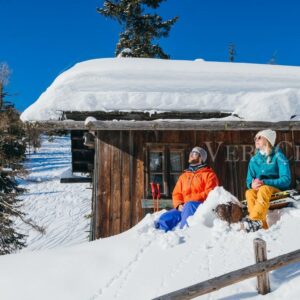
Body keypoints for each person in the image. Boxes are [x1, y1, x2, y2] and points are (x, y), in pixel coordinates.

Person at [155, 146, 219, 232]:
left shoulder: (209, 175)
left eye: (195, 153)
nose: (191, 155)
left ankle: (184, 234)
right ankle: (159, 237)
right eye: (191, 153)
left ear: (201, 158)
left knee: (189, 205)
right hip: (184, 206)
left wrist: (189, 200)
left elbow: (210, 193)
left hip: (200, 206)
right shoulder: (184, 176)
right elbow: (176, 193)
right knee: (165, 218)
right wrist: (179, 205)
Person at [243, 129, 291, 232]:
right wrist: (252, 184)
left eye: (259, 137)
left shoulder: (278, 156)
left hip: (278, 195)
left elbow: (286, 180)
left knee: (264, 189)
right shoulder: (254, 160)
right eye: (255, 138)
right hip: (261, 193)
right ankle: (261, 227)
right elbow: (248, 180)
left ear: (268, 139)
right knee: (249, 193)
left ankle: (253, 219)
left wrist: (265, 182)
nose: (256, 139)